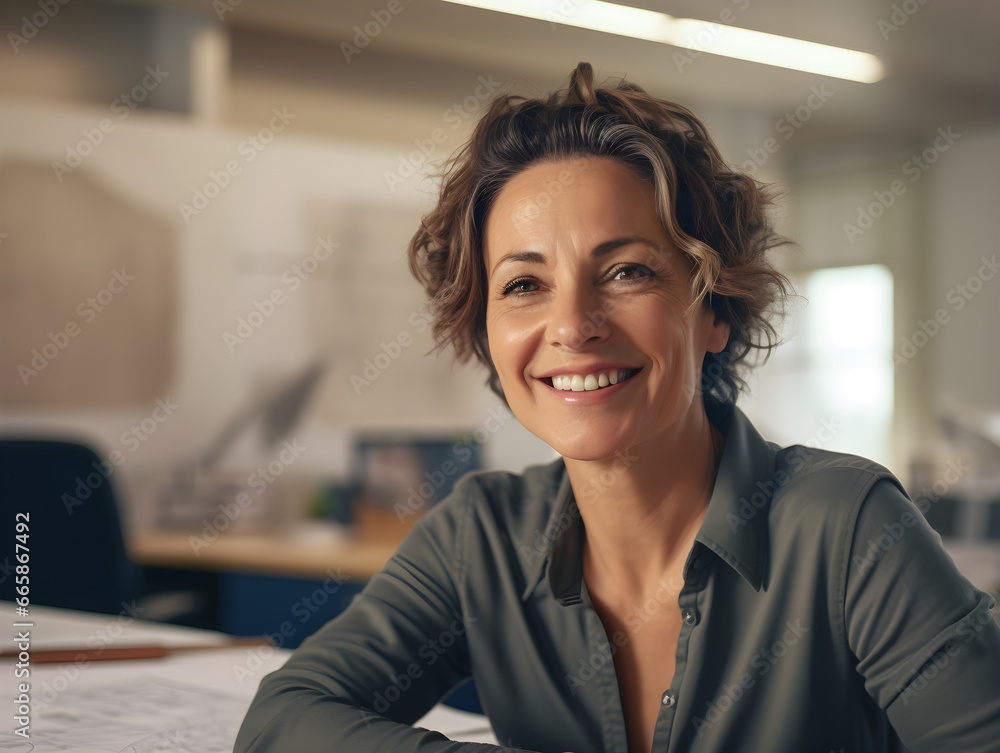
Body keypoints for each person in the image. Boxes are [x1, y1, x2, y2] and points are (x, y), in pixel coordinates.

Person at [234, 63, 1000, 753]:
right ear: (488, 332)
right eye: (525, 285)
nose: (572, 326)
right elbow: (284, 716)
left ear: (715, 312)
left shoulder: (848, 527)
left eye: (627, 270)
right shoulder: (482, 537)